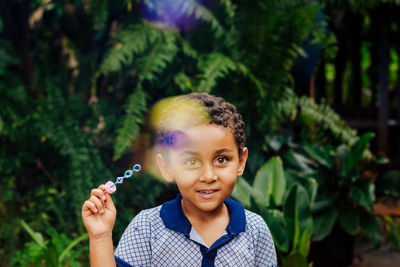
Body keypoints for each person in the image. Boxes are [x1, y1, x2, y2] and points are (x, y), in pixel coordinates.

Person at [81, 93, 277, 267]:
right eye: (191, 161)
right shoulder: (148, 228)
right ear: (167, 167)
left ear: (241, 162)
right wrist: (100, 236)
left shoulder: (255, 231)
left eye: (221, 159)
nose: (208, 176)